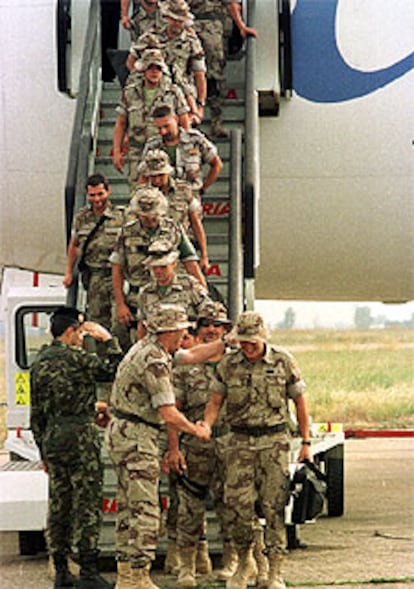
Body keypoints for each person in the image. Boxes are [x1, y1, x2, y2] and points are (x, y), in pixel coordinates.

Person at [105, 302, 226, 589]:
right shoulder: (155, 361)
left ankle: (125, 577)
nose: (186, 334)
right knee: (146, 510)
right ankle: (139, 576)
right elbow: (169, 413)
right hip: (137, 439)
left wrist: (226, 342)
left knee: (127, 508)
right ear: (169, 331)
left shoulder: (149, 348)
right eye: (182, 329)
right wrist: (195, 430)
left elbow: (192, 354)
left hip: (124, 433)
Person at [203, 311, 312, 589]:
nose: (247, 346)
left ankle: (274, 570)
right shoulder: (229, 364)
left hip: (274, 443)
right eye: (243, 341)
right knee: (238, 507)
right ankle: (245, 562)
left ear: (263, 337)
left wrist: (306, 443)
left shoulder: (282, 361)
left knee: (274, 506)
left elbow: (300, 403)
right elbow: (215, 401)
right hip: (239, 443)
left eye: (252, 341)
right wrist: (206, 425)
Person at [30, 307, 123, 589]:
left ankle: (60, 569)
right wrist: (108, 340)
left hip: (53, 438)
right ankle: (88, 572)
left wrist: (42, 451)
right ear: (70, 331)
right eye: (81, 332)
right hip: (82, 436)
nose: (82, 338)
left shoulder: (40, 362)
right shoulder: (79, 358)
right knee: (87, 504)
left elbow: (37, 414)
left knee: (59, 504)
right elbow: (114, 370)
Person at [168, 301, 235, 587]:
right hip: (195, 446)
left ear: (226, 330)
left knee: (231, 505)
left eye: (217, 325)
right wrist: (174, 448)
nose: (210, 330)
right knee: (189, 508)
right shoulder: (186, 366)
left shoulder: (236, 363)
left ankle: (233, 561)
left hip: (231, 445)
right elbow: (173, 410)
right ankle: (187, 566)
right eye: (205, 325)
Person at [110, 185, 205, 347]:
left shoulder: (173, 229)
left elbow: (190, 263)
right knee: (121, 331)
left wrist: (202, 290)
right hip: (137, 294)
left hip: (169, 293)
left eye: (153, 216)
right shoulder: (127, 233)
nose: (150, 220)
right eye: (145, 216)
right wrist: (120, 304)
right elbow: (117, 268)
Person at [112, 48, 190, 189]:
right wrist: (117, 151)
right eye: (150, 68)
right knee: (139, 193)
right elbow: (121, 123)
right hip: (138, 150)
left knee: (169, 191)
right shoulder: (130, 92)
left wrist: (186, 147)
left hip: (164, 151)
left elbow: (184, 120)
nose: (154, 72)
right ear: (143, 70)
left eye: (158, 68)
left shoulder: (173, 92)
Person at [127, 0, 207, 124]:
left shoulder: (191, 42)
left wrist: (200, 106)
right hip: (155, 94)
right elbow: (131, 62)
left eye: (180, 21)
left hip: (184, 96)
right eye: (174, 19)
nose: (177, 24)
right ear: (167, 18)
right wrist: (141, 81)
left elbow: (199, 75)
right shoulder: (151, 36)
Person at [63, 173, 125, 333]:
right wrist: (69, 272)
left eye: (100, 194)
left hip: (117, 276)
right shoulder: (82, 218)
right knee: (98, 324)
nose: (97, 199)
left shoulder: (121, 215)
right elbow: (74, 245)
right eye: (92, 195)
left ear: (108, 191)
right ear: (87, 194)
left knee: (120, 322)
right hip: (95, 277)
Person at [135, 148, 209, 271]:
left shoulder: (184, 190)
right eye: (153, 176)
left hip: (179, 251)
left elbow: (196, 223)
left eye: (160, 175)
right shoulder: (142, 195)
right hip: (151, 254)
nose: (157, 180)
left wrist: (204, 255)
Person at [142, 104, 222, 199]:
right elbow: (143, 175)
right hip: (161, 202)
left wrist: (202, 189)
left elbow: (217, 165)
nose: (163, 131)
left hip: (189, 200)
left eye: (166, 126)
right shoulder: (152, 145)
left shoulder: (195, 140)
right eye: (159, 128)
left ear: (176, 119)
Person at [137, 238, 211, 338]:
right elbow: (142, 325)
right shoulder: (146, 292)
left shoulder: (189, 285)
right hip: (157, 346)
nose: (158, 271)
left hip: (186, 343)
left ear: (173, 264)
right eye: (154, 267)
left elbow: (209, 313)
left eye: (163, 267)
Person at [101, 0, 121, 82]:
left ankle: (108, 73)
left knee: (111, 40)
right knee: (107, 39)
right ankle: (107, 73)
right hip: (105, 5)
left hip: (114, 5)